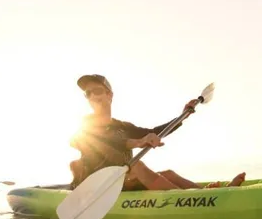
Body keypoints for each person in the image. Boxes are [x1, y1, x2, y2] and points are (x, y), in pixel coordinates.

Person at [68, 74, 246, 191]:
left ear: (109, 94)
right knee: (137, 166)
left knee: (168, 173)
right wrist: (137, 142)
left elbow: (154, 132)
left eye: (97, 91)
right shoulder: (85, 125)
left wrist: (183, 116)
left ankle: (205, 194)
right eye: (88, 93)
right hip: (96, 186)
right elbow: (102, 140)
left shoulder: (122, 126)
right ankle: (190, 201)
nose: (92, 96)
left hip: (120, 181)